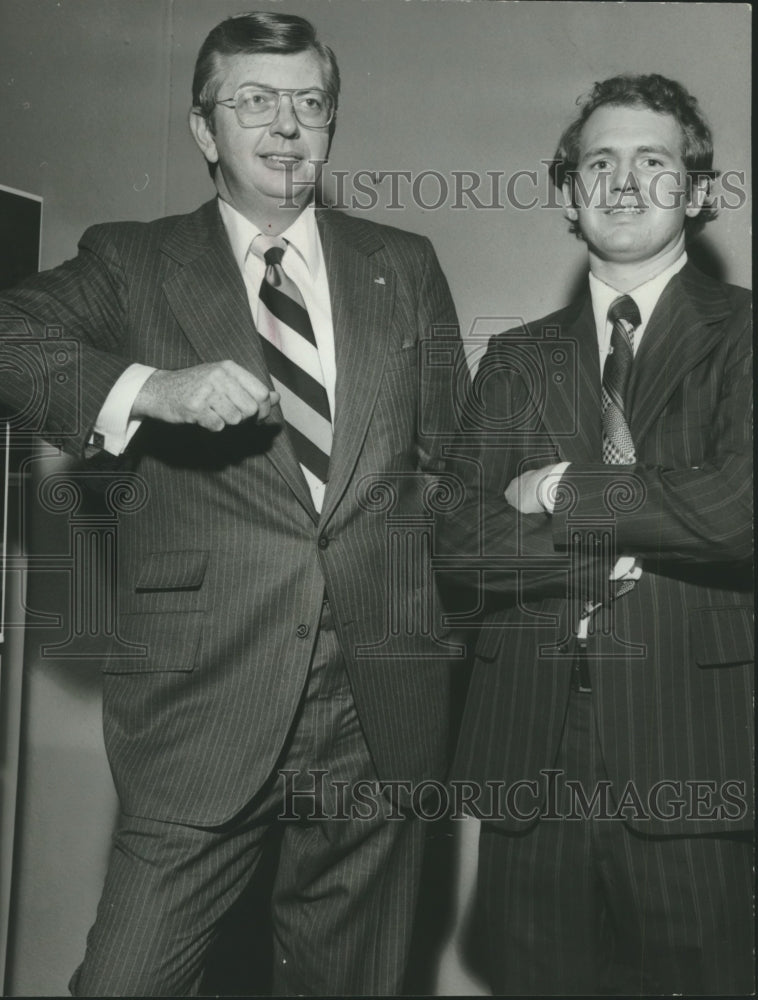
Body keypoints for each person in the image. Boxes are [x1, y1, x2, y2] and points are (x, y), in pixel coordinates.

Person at [0, 11, 461, 996]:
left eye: (308, 104)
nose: (286, 126)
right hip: (203, 702)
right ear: (205, 129)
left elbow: (445, 470)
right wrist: (145, 389)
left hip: (375, 710)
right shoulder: (131, 260)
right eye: (254, 101)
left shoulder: (403, 261)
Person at [448, 74, 753, 995]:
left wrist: (557, 491)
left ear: (697, 193)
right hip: (530, 753)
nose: (623, 183)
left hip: (691, 744)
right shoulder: (516, 357)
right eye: (600, 162)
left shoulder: (745, 336)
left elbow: (740, 505)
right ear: (567, 193)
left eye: (653, 162)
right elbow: (454, 535)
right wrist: (623, 540)